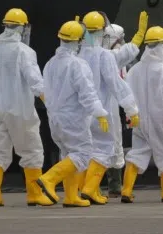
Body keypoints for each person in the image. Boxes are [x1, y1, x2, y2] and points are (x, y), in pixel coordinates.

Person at [0, 8, 51, 207]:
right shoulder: (24, 52)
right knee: (31, 150)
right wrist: (49, 102)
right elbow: (35, 80)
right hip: (20, 110)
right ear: (22, 27)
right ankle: (34, 194)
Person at [36, 20, 110, 207]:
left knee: (69, 154)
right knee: (83, 153)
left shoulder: (50, 64)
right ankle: (49, 179)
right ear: (78, 41)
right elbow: (87, 92)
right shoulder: (78, 64)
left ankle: (71, 197)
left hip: (55, 118)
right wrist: (99, 112)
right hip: (73, 118)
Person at [77, 11, 142, 205]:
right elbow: (117, 84)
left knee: (83, 151)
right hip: (103, 111)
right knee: (105, 149)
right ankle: (90, 189)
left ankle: (86, 189)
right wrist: (131, 108)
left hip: (80, 112)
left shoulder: (76, 53)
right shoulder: (105, 56)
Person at [121, 26, 163, 203]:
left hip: (139, 120)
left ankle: (126, 190)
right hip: (161, 120)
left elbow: (126, 95)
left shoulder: (134, 70)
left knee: (138, 152)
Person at [101, 21, 142, 198]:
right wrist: (130, 110)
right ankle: (113, 186)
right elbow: (122, 86)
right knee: (112, 143)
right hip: (106, 107)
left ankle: (89, 186)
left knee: (93, 145)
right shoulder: (111, 57)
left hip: (93, 107)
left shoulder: (90, 54)